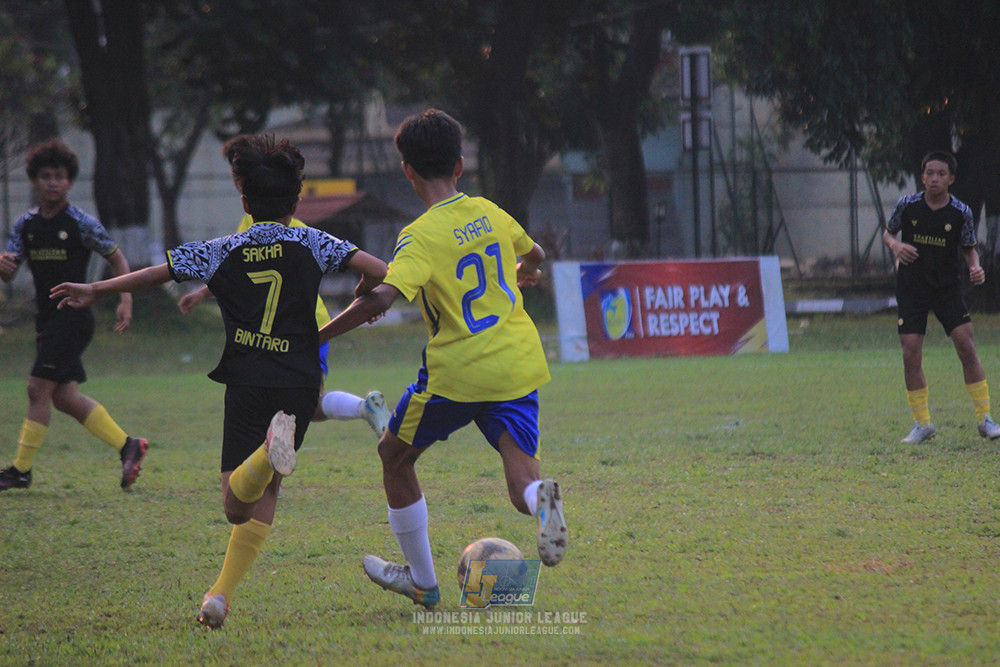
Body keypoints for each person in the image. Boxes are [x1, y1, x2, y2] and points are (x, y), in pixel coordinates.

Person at [51, 134, 388, 629]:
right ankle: (220, 596)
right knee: (268, 492)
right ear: (297, 202)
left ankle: (263, 456)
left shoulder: (222, 248)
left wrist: (97, 287)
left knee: (235, 505)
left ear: (245, 202)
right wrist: (360, 294)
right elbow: (380, 275)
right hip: (300, 378)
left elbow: (157, 274)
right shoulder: (316, 242)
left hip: (249, 380)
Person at [317, 109, 567, 608]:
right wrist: (523, 271)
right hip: (516, 361)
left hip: (457, 373)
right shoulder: (491, 212)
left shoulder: (420, 235)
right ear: (459, 165)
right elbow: (536, 252)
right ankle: (542, 499)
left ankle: (424, 583)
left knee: (394, 454)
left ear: (407, 170)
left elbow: (383, 297)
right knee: (520, 475)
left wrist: (317, 337)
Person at [0, 138, 148, 492]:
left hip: (74, 316)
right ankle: (129, 445)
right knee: (64, 397)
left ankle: (21, 470)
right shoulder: (25, 225)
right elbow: (10, 270)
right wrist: (2, 266)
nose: (53, 182)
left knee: (37, 388)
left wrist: (124, 297)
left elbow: (116, 257)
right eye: (46, 176)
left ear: (70, 181)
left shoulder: (80, 222)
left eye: (60, 176)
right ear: (35, 180)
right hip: (47, 319)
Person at [177, 214, 390, 438]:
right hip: (309, 324)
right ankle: (363, 408)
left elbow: (240, 269)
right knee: (304, 405)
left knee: (287, 404)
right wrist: (203, 292)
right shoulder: (298, 228)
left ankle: (261, 460)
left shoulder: (255, 223)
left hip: (285, 329)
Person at [882, 150, 1000, 444]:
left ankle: (985, 418)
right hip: (912, 289)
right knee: (910, 351)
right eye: (929, 173)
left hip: (947, 289)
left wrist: (975, 267)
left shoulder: (961, 212)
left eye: (941, 174)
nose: (934, 178)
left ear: (951, 179)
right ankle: (922, 424)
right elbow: (888, 233)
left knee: (966, 345)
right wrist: (896, 247)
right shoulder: (907, 206)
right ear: (922, 177)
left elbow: (968, 247)